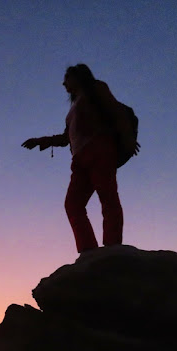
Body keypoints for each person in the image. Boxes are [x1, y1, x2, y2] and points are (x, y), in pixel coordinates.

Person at [21, 63, 132, 260]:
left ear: (78, 77)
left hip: (100, 151)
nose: (63, 83)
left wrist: (127, 140)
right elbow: (66, 138)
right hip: (80, 160)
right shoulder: (73, 108)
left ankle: (113, 246)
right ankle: (88, 249)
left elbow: (117, 112)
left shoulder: (97, 89)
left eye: (67, 78)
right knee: (73, 204)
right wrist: (40, 141)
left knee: (107, 197)